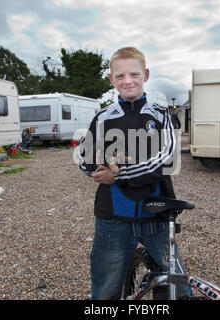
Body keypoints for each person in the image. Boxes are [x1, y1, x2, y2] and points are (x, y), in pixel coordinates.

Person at [77, 47, 191, 300]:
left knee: (178, 288)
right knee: (106, 292)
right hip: (112, 220)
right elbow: (84, 158)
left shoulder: (163, 115)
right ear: (111, 79)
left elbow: (168, 162)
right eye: (120, 76)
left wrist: (118, 174)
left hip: (157, 217)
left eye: (134, 74)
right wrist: (99, 164)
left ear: (146, 75)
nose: (127, 81)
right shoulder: (102, 117)